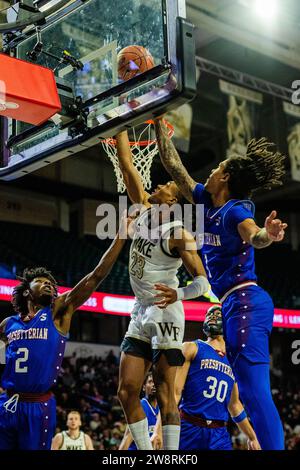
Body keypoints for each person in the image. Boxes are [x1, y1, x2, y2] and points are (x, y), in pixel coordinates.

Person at [154, 119, 287, 449]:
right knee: (248, 387)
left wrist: (266, 236)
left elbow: (252, 234)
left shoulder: (234, 210)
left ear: (225, 177)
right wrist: (157, 118)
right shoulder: (203, 200)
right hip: (232, 304)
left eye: (216, 168)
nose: (210, 172)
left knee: (254, 392)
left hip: (245, 301)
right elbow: (173, 165)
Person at [0, 215, 131, 450]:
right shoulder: (7, 324)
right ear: (27, 292)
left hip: (37, 405)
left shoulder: (58, 312)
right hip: (7, 402)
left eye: (51, 283)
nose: (49, 284)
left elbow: (96, 276)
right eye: (41, 281)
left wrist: (121, 235)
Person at [115, 130, 209, 450]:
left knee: (167, 394)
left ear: (172, 200)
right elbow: (128, 164)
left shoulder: (179, 234)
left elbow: (203, 283)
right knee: (127, 392)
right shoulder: (142, 210)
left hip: (166, 309)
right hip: (141, 308)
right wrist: (119, 121)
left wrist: (179, 294)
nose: (157, 185)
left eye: (165, 186)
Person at [176, 305, 260, 450]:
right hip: (189, 427)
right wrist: (160, 427)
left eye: (217, 314)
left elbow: (234, 405)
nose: (212, 317)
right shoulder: (191, 347)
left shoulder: (233, 361)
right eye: (209, 315)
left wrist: (252, 436)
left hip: (219, 433)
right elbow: (174, 393)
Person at [119, 372, 161, 450]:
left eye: (156, 381)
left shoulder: (162, 408)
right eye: (150, 381)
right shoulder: (140, 406)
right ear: (144, 387)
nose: (154, 384)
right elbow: (127, 437)